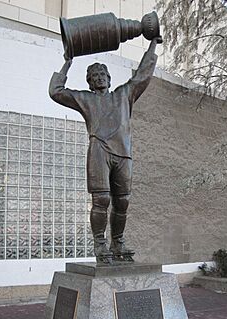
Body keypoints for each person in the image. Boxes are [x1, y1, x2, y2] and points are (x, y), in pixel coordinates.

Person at [49, 36, 162, 263]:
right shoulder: (85, 99)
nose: (99, 78)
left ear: (109, 79)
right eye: (94, 77)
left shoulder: (124, 94)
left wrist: (152, 45)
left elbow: (143, 74)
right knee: (101, 200)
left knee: (123, 202)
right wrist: (67, 62)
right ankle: (100, 244)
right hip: (99, 150)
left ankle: (117, 242)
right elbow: (56, 91)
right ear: (89, 83)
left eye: (102, 75)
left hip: (123, 153)